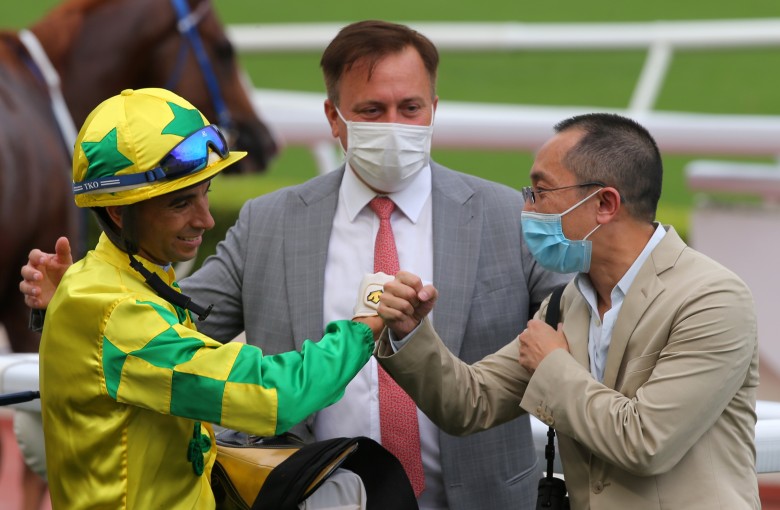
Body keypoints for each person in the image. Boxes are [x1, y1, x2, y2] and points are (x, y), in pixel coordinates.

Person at [20, 21, 569, 510]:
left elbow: (582, 322)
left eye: (410, 108)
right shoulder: (268, 222)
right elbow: (174, 327)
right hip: (317, 494)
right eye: (372, 110)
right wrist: (74, 305)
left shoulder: (507, 215)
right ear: (333, 117)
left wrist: (75, 303)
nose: (394, 125)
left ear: (434, 108)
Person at [375, 113, 760, 509]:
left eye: (540, 192)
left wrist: (552, 364)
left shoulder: (712, 298)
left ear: (605, 204)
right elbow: (469, 403)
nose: (527, 208)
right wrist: (410, 331)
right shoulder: (565, 304)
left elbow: (646, 442)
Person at [35, 87, 377, 509]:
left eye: (205, 193)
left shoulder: (113, 277)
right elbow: (273, 396)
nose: (206, 220)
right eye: (181, 203)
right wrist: (363, 330)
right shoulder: (115, 311)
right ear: (119, 212)